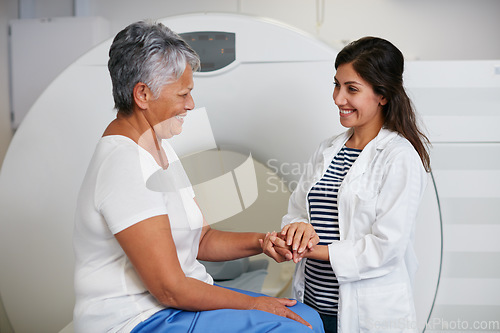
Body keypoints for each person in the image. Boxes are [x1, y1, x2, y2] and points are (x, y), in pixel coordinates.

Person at [72, 20, 324, 333]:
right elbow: (169, 288)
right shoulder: (125, 164)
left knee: (308, 317)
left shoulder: (159, 147)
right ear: (142, 94)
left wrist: (263, 241)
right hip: (138, 319)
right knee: (294, 328)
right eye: (183, 94)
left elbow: (202, 239)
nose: (190, 104)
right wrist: (256, 304)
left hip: (173, 307)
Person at [262, 36, 431, 333]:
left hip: (365, 314)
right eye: (337, 85)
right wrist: (297, 230)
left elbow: (386, 247)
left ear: (382, 95)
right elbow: (297, 212)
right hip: (311, 307)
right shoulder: (327, 150)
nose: (338, 98)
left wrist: (314, 250)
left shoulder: (399, 157)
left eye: (351, 89)